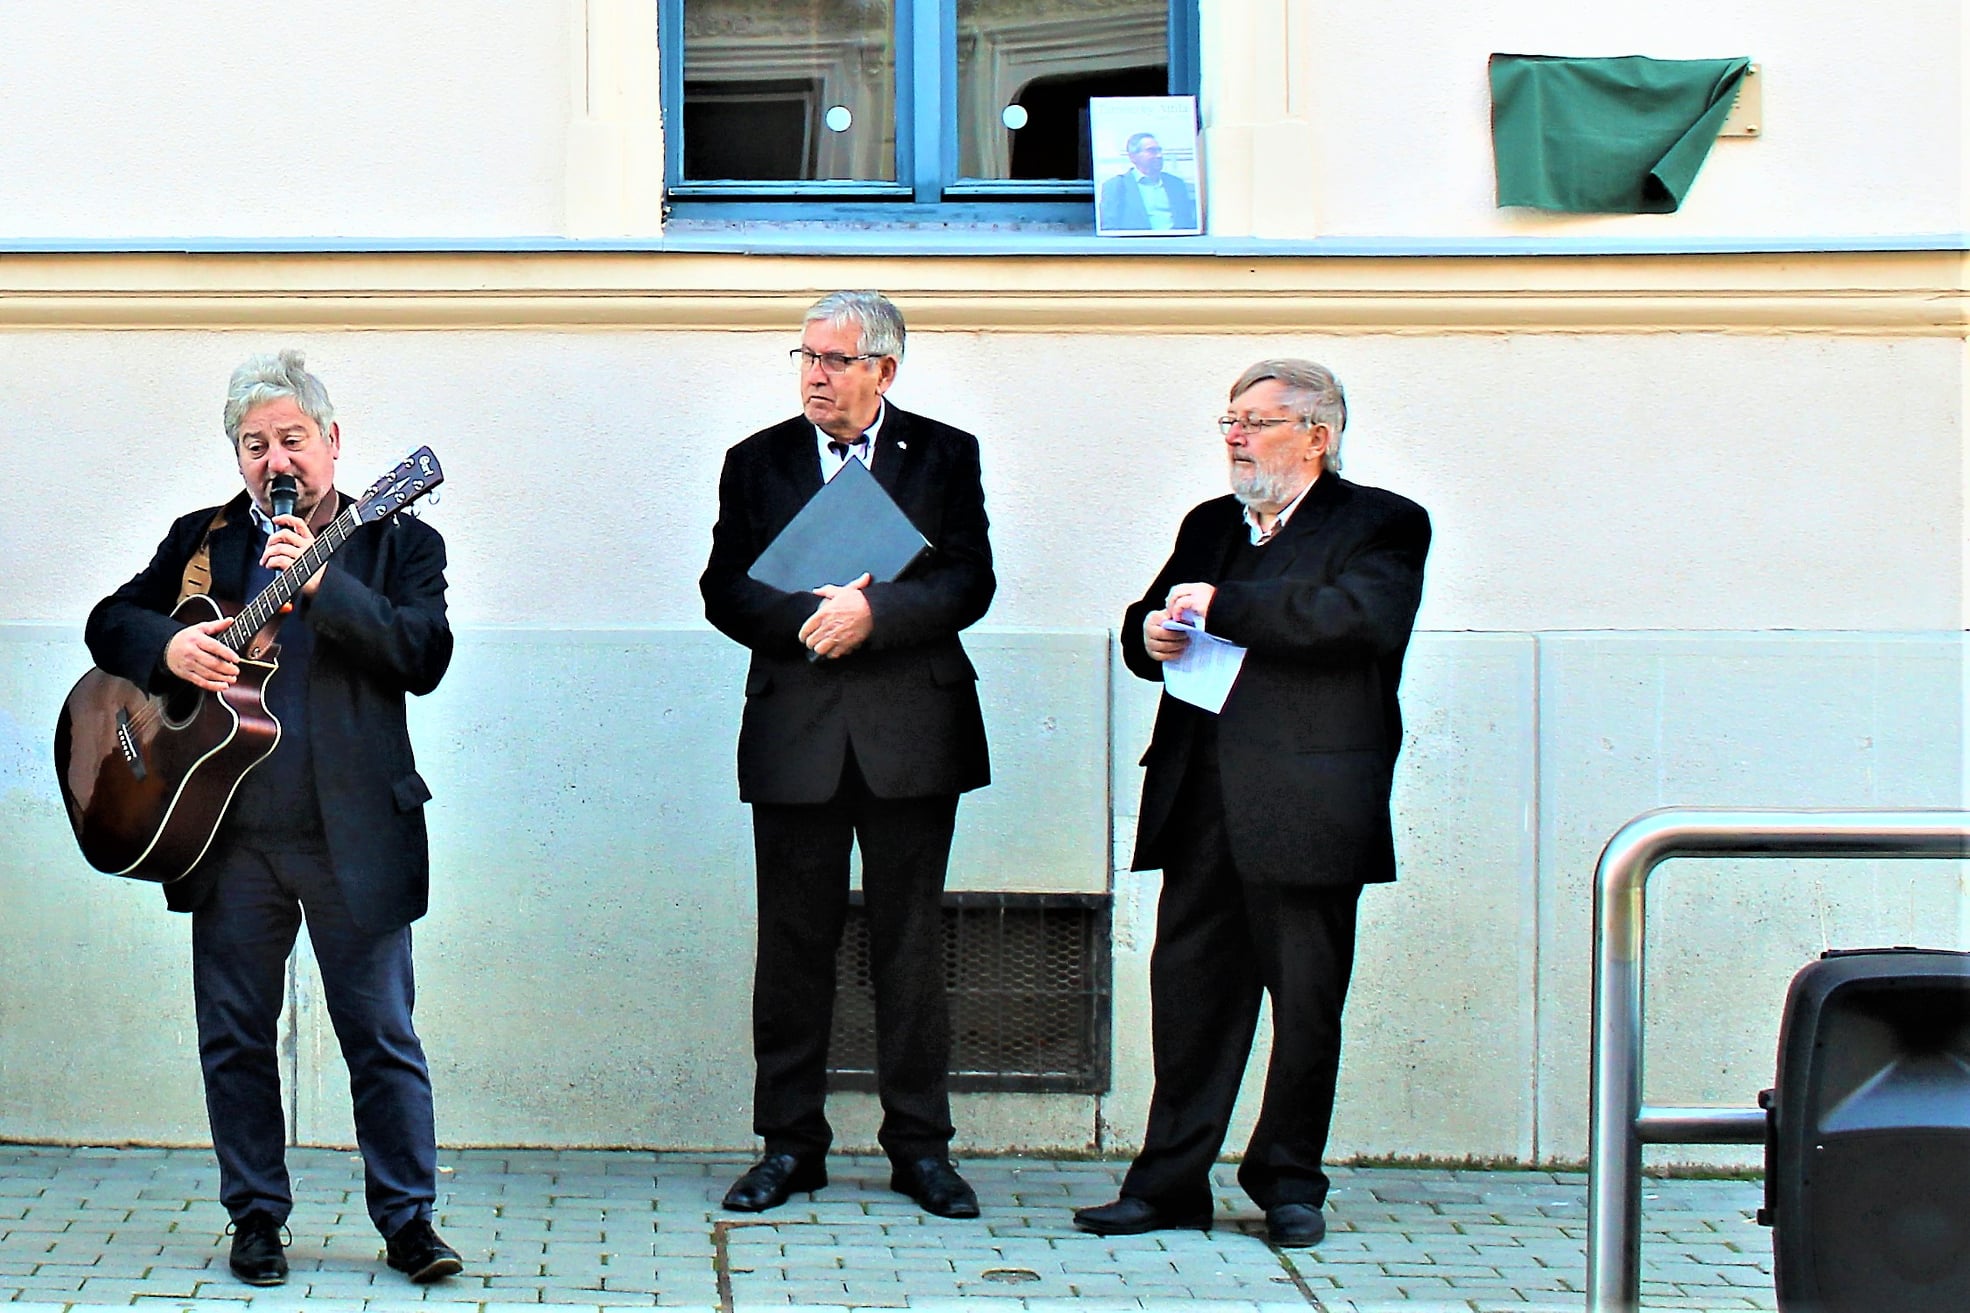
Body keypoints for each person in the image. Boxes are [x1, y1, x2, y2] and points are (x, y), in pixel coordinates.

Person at [83, 351, 461, 1286]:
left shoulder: (398, 540)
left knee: (380, 1034)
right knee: (236, 1035)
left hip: (351, 833)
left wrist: (324, 587)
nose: (275, 460)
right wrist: (170, 646)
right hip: (226, 835)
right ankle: (255, 1216)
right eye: (255, 446)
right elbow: (109, 622)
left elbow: (423, 654)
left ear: (331, 440)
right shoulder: (201, 539)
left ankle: (408, 1220)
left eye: (292, 439)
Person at [1073, 359, 1430, 1247]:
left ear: (1318, 435)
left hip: (1309, 803)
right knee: (1189, 998)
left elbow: (1357, 620)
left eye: (1257, 421)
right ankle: (1167, 1183)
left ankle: (1289, 1180)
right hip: (1201, 798)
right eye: (1229, 420)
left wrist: (1225, 604)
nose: (1235, 436)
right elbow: (1148, 621)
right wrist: (1148, 631)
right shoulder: (1210, 523)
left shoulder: (1381, 522)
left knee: (1305, 1003)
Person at [700, 291, 995, 1219]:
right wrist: (812, 619)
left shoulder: (943, 454)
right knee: (793, 947)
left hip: (913, 731)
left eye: (835, 360)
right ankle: (790, 1144)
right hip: (797, 731)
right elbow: (723, 587)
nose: (815, 376)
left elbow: (970, 579)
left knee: (910, 946)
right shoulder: (757, 461)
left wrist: (876, 614)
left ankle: (921, 1148)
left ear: (884, 370)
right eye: (806, 357)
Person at [1097, 132, 1198, 232]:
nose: (1159, 155)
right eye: (1151, 151)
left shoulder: (1176, 184)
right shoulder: (1116, 186)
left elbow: (1188, 222)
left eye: (1159, 150)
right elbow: (1109, 227)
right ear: (1133, 157)